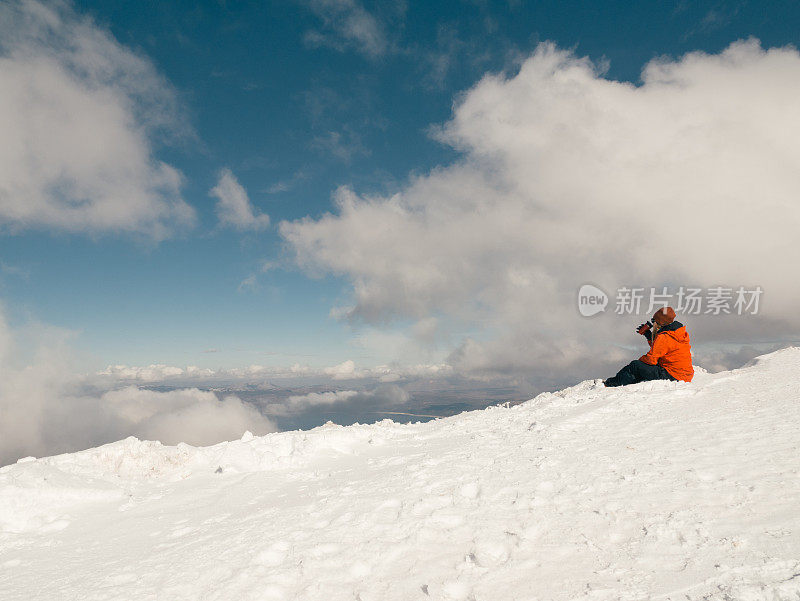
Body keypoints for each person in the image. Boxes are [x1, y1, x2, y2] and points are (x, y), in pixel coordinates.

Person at [604, 306, 694, 387]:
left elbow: (651, 360)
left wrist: (641, 362)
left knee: (635, 366)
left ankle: (611, 384)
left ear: (660, 322)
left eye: (653, 321)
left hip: (673, 375)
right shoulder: (678, 332)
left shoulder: (664, 336)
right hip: (685, 374)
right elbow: (662, 349)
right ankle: (626, 381)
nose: (653, 323)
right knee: (642, 367)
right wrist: (649, 335)